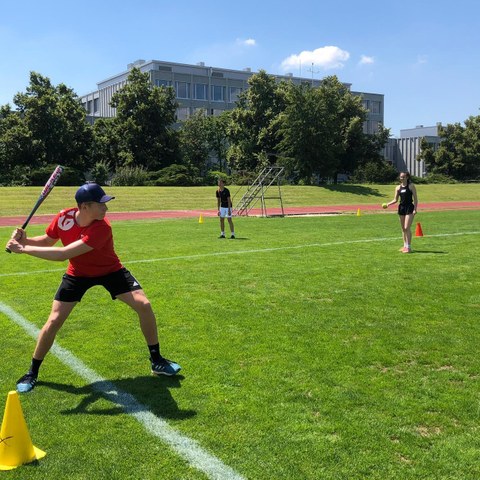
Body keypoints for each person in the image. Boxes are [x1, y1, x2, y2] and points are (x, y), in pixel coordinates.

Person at [6, 182, 181, 393]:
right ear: (85, 206)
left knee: (144, 304)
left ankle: (157, 360)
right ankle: (33, 371)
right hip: (78, 274)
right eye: (101, 204)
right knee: (53, 320)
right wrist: (27, 239)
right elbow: (48, 241)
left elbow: (63, 254)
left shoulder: (102, 227)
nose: (106, 208)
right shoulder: (64, 217)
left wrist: (23, 248)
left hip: (110, 270)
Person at [384, 171, 418, 253]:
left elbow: (416, 199)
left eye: (403, 177)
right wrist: (388, 204)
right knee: (403, 229)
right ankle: (404, 246)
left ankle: (409, 247)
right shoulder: (398, 188)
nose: (401, 178)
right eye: (401, 177)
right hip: (401, 208)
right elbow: (395, 200)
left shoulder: (411, 186)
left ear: (407, 177)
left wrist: (415, 209)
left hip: (409, 207)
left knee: (407, 227)